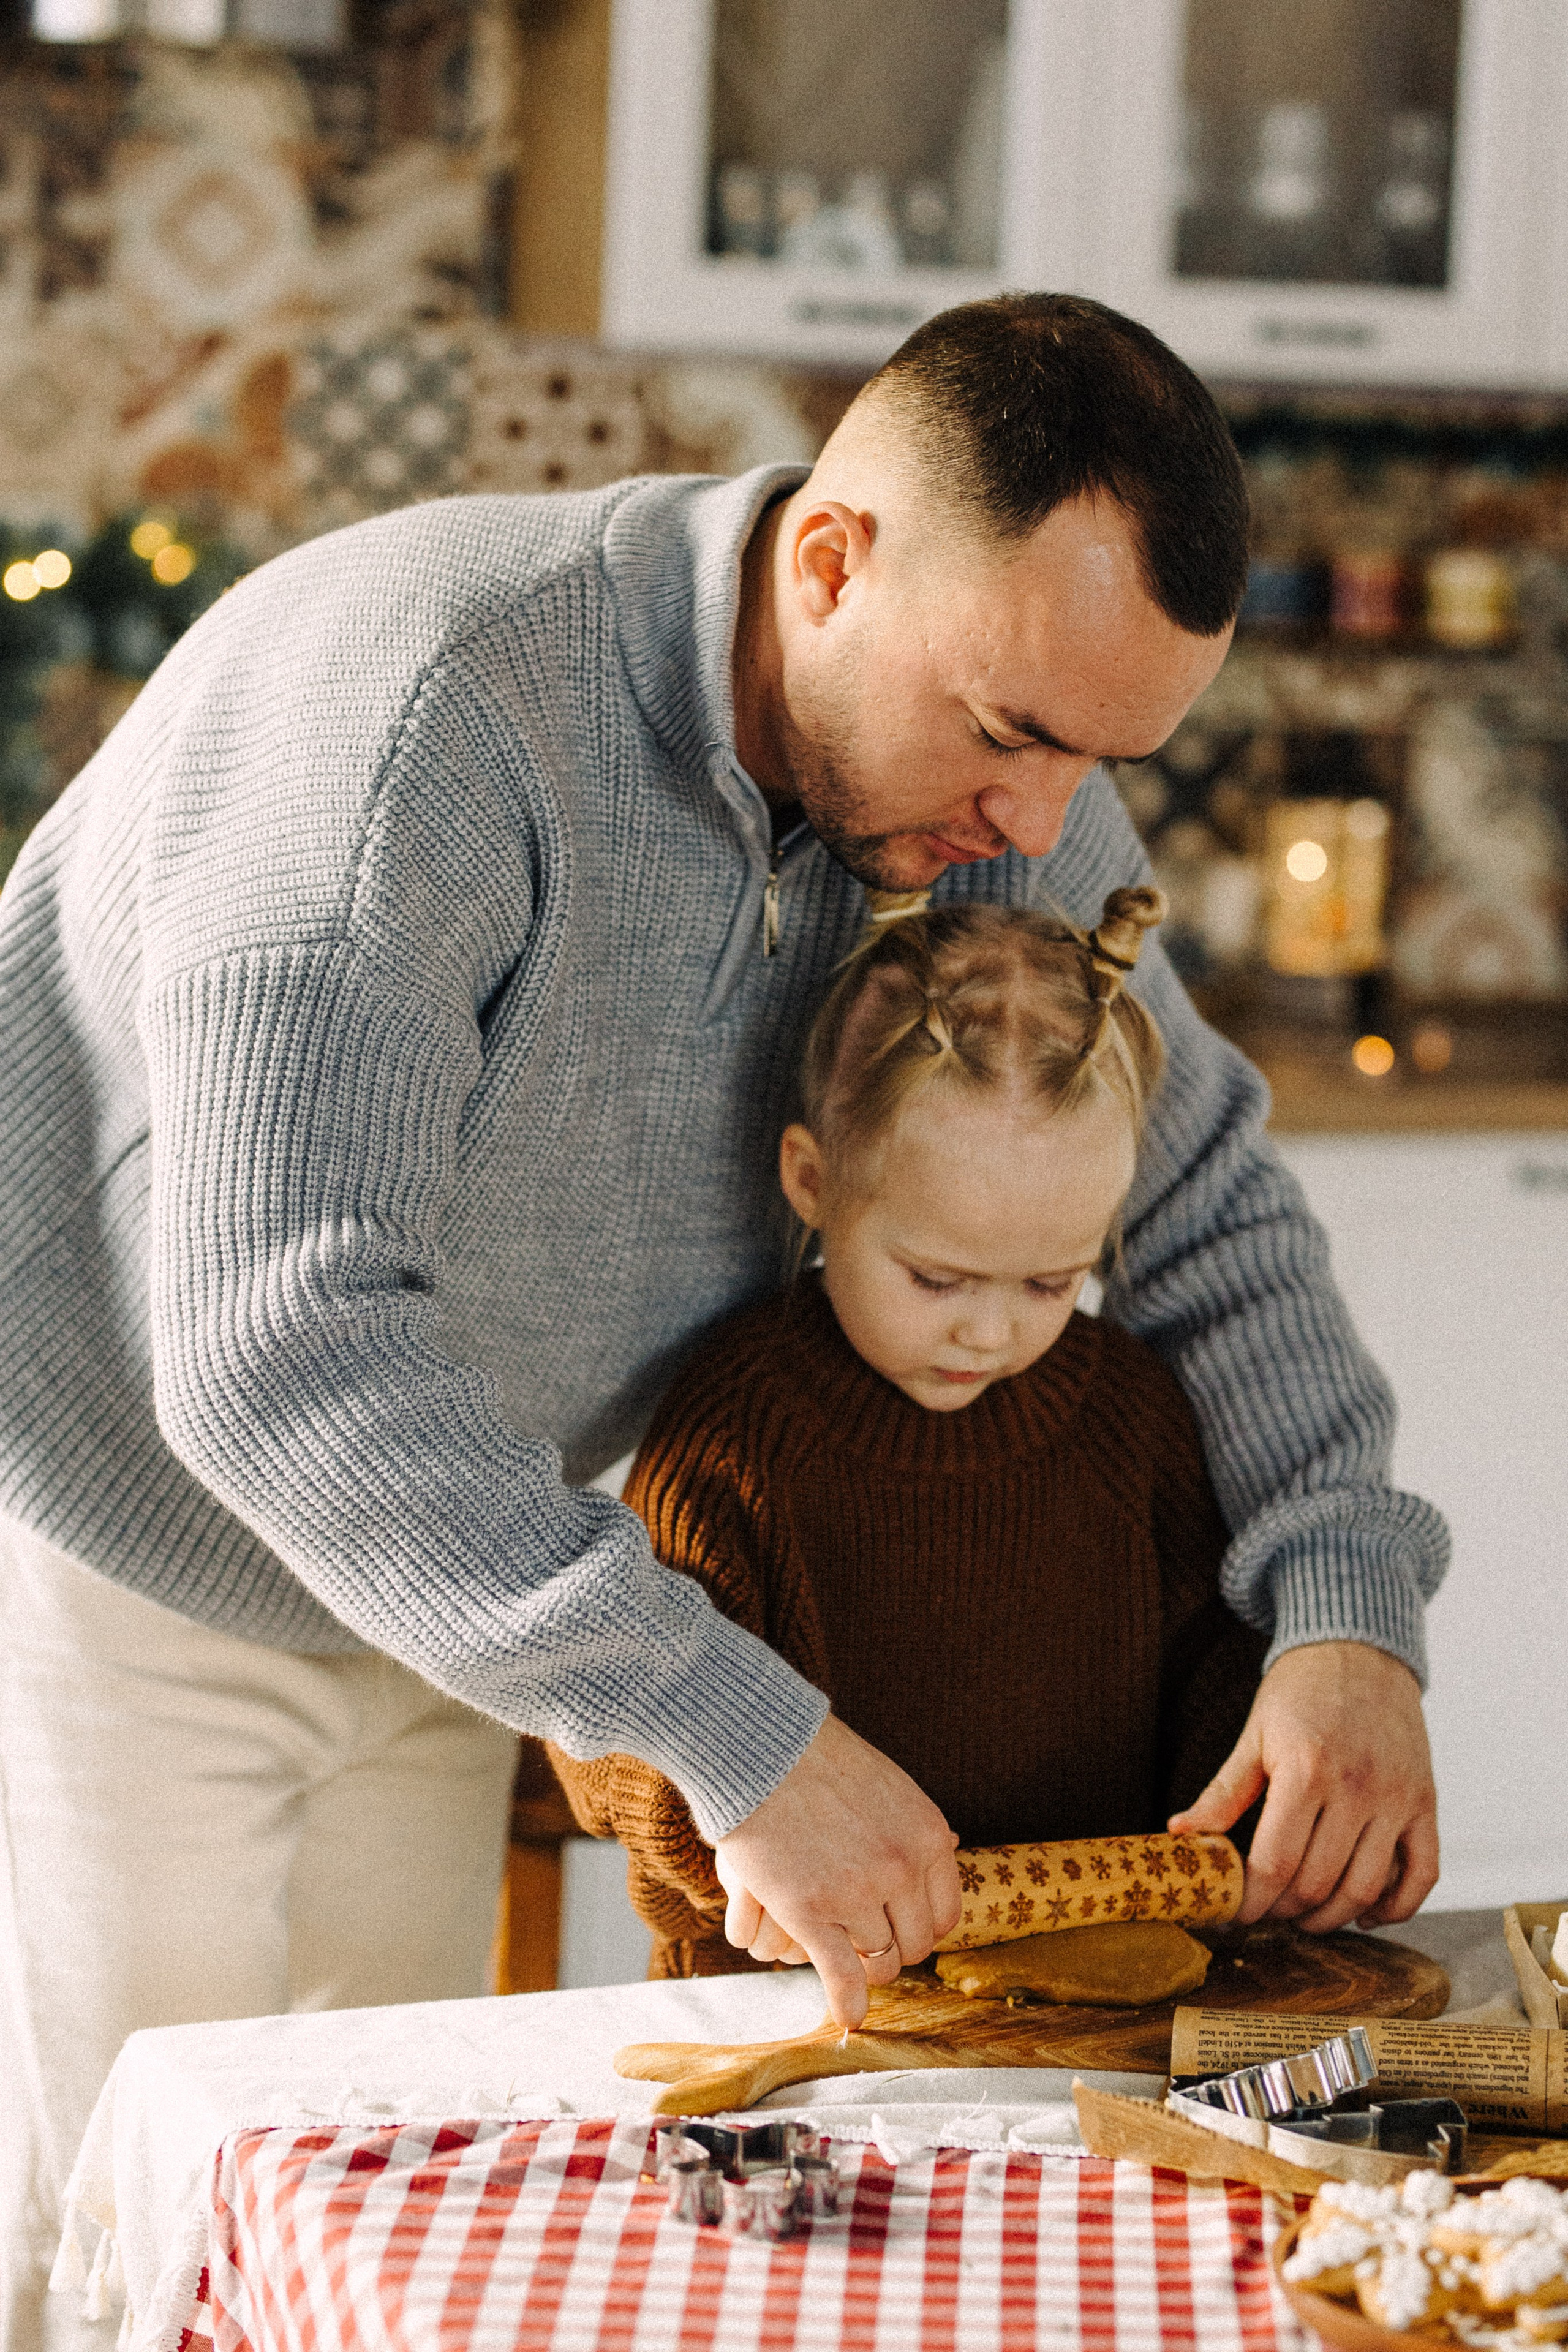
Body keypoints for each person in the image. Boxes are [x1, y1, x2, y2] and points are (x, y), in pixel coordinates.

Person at [0, 293, 1446, 2350]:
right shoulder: (424, 708)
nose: (1044, 836)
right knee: (117, 2231)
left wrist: (1346, 1616)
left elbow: (1204, 1200)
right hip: (127, 1535)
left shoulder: (994, 781)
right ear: (837, 559)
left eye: (1108, 761)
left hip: (451, 1564)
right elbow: (272, 1344)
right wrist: (735, 1726)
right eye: (1021, 735)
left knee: (344, 2204)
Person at [551, 884, 1273, 1978]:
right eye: (936, 1277)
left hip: (1090, 1998)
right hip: (790, 1997)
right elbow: (601, 1730)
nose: (989, 1330)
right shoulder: (739, 1422)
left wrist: (1265, 1797)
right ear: (814, 1180)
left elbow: (1213, 1675)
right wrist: (715, 1812)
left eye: (1051, 1280)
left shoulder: (1131, 1415)